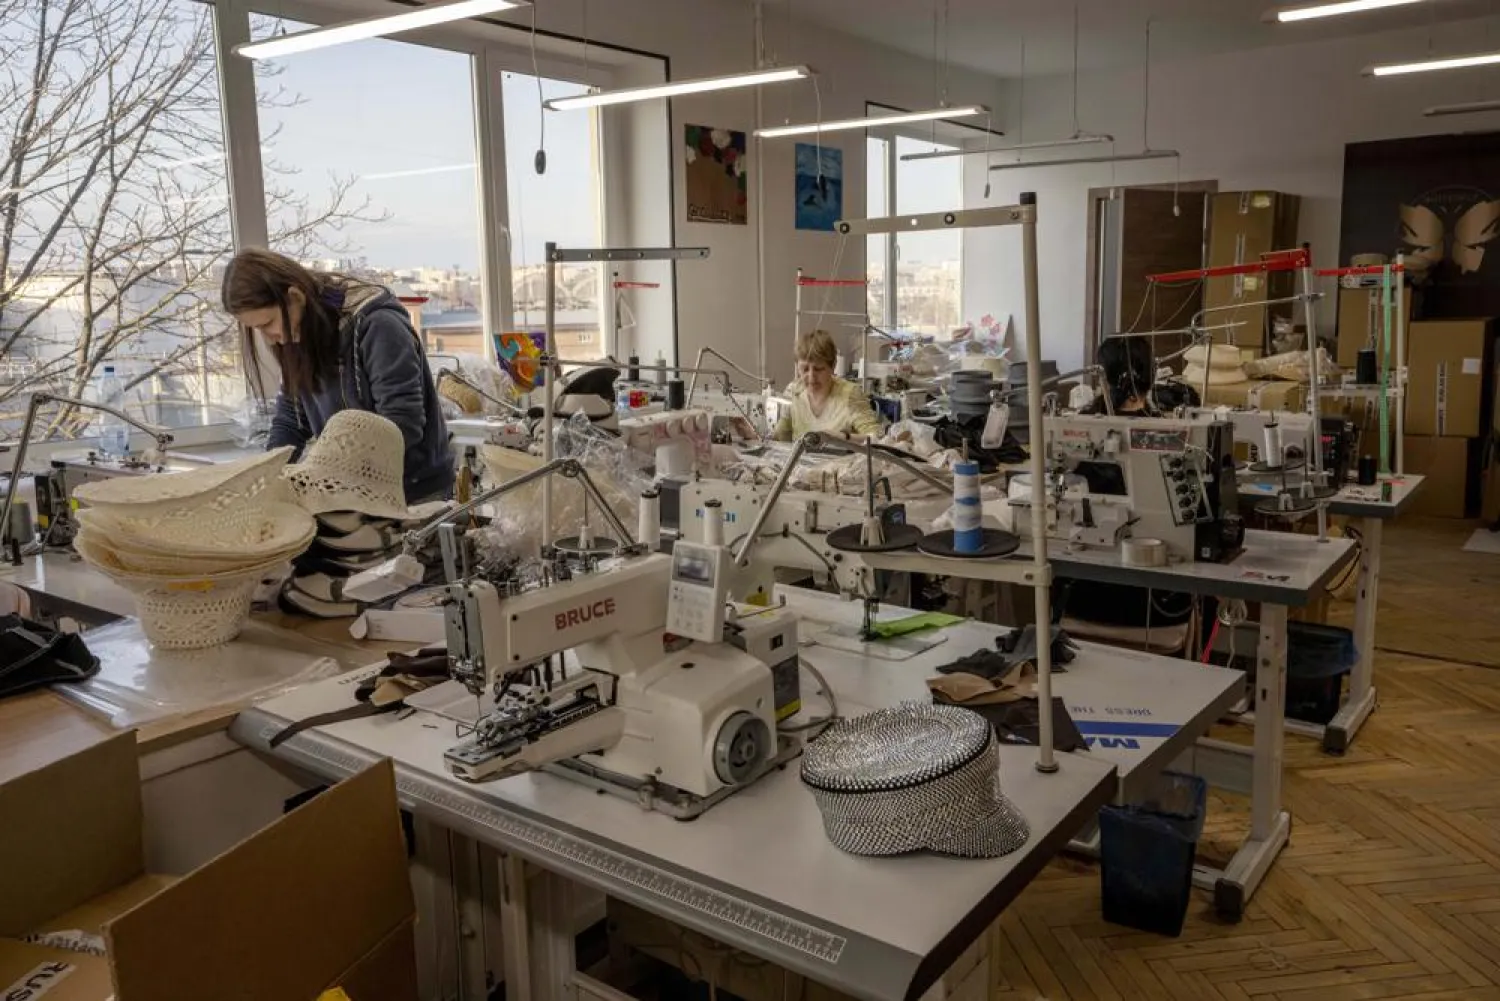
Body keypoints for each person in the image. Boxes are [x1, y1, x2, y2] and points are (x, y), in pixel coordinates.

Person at [222, 248, 454, 503]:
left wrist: (329, 473)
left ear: (295, 297)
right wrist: (268, 477)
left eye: (268, 324)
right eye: (258, 329)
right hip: (352, 491)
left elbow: (402, 423)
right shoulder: (299, 334)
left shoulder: (378, 325)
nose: (269, 338)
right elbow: (291, 420)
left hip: (413, 490)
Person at [772, 329, 883, 441]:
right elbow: (781, 434)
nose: (811, 377)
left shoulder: (850, 395)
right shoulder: (794, 391)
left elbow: (876, 438)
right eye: (805, 369)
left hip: (841, 453)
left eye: (818, 369)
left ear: (833, 366)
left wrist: (842, 437)